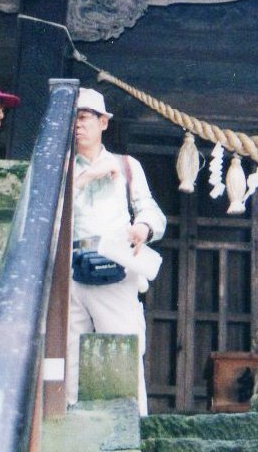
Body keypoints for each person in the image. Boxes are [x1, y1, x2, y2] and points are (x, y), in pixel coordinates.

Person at [67, 86, 166, 412]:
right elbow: (45, 214)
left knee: (123, 348)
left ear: (103, 123)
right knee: (69, 357)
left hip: (114, 264)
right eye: (74, 119)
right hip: (70, 268)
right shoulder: (62, 167)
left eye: (84, 118)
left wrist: (143, 228)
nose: (78, 125)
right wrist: (85, 177)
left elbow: (151, 212)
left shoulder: (126, 166)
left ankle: (131, 429)